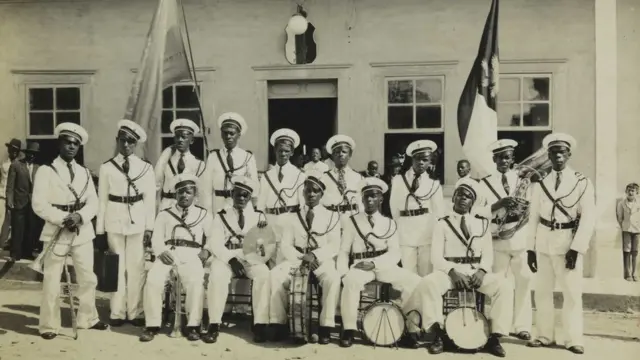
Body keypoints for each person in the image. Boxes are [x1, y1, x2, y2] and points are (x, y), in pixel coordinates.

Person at [413, 178, 512, 357]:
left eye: (468, 196)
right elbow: (436, 257)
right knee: (428, 283)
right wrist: (452, 272)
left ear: (473, 202)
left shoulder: (482, 224)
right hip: (451, 272)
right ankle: (438, 334)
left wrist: (482, 272)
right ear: (453, 198)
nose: (463, 198)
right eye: (459, 194)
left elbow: (488, 255)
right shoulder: (442, 223)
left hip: (475, 272)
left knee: (504, 285)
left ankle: (494, 337)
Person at [32, 123, 108, 339]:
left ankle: (87, 318)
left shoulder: (84, 172)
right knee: (52, 280)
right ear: (60, 143)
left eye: (76, 143)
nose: (72, 146)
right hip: (57, 229)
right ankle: (49, 325)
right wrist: (63, 218)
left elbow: (93, 202)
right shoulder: (46, 170)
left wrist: (80, 216)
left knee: (88, 278)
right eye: (68, 142)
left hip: (81, 231)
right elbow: (38, 204)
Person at [526, 133, 595, 355]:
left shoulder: (581, 182)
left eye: (562, 152)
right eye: (554, 152)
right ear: (548, 155)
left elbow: (588, 218)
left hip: (567, 244)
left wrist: (577, 248)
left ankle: (573, 338)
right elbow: (533, 217)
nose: (558, 156)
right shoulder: (540, 184)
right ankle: (544, 335)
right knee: (543, 292)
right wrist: (530, 248)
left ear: (569, 155)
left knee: (572, 294)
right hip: (544, 243)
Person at [337, 177, 422, 348]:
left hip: (383, 265)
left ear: (381, 199)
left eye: (374, 196)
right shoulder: (352, 221)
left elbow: (395, 253)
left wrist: (375, 264)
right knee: (351, 281)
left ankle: (410, 329)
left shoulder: (389, 223)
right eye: (366, 196)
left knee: (414, 281)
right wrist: (342, 272)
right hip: (360, 265)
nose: (369, 200)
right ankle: (349, 329)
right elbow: (344, 251)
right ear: (361, 199)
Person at [268, 170, 341, 344]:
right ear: (303, 192)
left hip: (319, 261)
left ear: (321, 194)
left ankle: (325, 326)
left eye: (315, 191)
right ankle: (279, 323)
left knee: (333, 278)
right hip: (297, 259)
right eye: (308, 190)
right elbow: (285, 245)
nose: (311, 194)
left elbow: (334, 245)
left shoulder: (332, 216)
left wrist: (314, 255)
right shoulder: (292, 216)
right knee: (275, 275)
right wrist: (302, 257)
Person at [96, 120, 156, 327]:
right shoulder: (106, 168)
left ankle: (136, 311)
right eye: (123, 140)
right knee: (116, 269)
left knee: (136, 268)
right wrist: (100, 230)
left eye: (131, 141)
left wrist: (150, 226)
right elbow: (102, 200)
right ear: (117, 141)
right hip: (114, 221)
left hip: (138, 222)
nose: (127, 145)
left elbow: (150, 200)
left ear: (136, 143)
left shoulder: (146, 168)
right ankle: (117, 312)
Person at [140, 173, 213, 342]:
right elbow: (157, 238)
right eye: (180, 192)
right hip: (168, 253)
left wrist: (206, 251)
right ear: (175, 194)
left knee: (195, 281)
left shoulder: (204, 215)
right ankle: (152, 325)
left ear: (195, 195)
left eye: (188, 192)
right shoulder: (165, 214)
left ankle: (193, 325)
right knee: (153, 279)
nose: (184, 195)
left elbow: (212, 237)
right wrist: (160, 251)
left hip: (192, 254)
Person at [203, 176, 275, 344]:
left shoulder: (258, 216)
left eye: (245, 195)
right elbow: (215, 243)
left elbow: (265, 243)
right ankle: (214, 323)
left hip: (251, 257)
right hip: (226, 256)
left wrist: (260, 248)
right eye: (238, 195)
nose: (241, 198)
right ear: (232, 195)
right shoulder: (221, 216)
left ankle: (259, 324)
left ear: (250, 197)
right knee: (217, 275)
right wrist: (231, 259)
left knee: (264, 274)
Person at [476, 139, 533, 340]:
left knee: (524, 281)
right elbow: (477, 212)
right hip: (497, 239)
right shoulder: (483, 184)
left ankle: (523, 326)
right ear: (494, 159)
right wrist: (498, 204)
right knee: (500, 284)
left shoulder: (521, 180)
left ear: (512, 159)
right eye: (499, 157)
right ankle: (500, 326)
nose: (503, 161)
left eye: (507, 157)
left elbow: (530, 209)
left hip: (519, 237)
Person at [390, 140, 444, 276]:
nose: (421, 163)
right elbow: (394, 208)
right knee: (408, 274)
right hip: (405, 233)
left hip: (426, 233)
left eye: (425, 160)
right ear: (412, 159)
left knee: (426, 274)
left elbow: (438, 212)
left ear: (429, 162)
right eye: (418, 159)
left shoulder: (434, 184)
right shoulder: (398, 180)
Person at [257, 129, 305, 266]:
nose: (283, 154)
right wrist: (261, 218)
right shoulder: (267, 176)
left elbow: (302, 205)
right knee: (271, 260)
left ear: (292, 152)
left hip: (289, 221)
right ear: (275, 151)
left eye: (286, 151)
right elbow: (261, 204)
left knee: (286, 261)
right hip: (271, 222)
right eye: (280, 150)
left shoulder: (299, 175)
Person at [204, 112, 259, 214]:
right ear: (221, 134)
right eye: (225, 133)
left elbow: (254, 188)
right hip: (218, 206)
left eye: (232, 133)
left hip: (241, 207)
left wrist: (256, 210)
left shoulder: (247, 157)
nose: (228, 136)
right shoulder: (213, 157)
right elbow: (207, 189)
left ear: (239, 135)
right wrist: (208, 214)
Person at [155, 118, 209, 213]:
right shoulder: (165, 160)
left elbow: (201, 193)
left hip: (189, 208)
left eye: (184, 137)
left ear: (192, 140)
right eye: (177, 136)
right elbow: (156, 185)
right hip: (167, 206)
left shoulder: (199, 164)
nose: (180, 140)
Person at [320, 135, 363, 231]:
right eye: (336, 152)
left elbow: (361, 203)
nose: (340, 154)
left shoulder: (358, 177)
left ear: (350, 155)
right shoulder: (324, 177)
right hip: (331, 223)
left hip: (352, 222)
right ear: (332, 156)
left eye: (344, 152)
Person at [7, 141, 40, 261]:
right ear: (26, 153)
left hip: (33, 203)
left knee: (30, 228)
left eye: (34, 154)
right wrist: (10, 200)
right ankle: (15, 254)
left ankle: (28, 252)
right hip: (19, 201)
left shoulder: (38, 167)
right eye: (30, 153)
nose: (32, 155)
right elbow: (10, 186)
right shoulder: (16, 165)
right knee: (18, 228)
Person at [0, 138, 21, 250]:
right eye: (12, 149)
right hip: (2, 196)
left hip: (14, 198)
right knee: (1, 220)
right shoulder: (4, 163)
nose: (13, 151)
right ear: (8, 149)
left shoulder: (20, 164)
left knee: (11, 223)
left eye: (16, 150)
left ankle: (5, 243)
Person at [617, 183, 640, 281]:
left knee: (635, 252)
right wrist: (624, 226)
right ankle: (628, 273)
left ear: (637, 192)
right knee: (627, 251)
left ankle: (635, 273)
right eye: (629, 190)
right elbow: (620, 217)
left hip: (637, 230)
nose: (631, 192)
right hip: (626, 229)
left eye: (633, 191)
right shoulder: (621, 203)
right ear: (626, 192)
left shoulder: (639, 203)